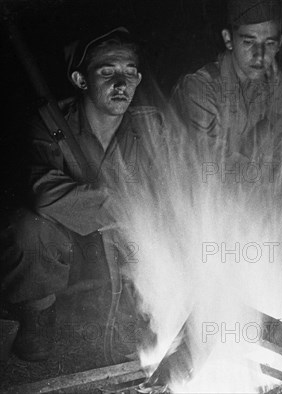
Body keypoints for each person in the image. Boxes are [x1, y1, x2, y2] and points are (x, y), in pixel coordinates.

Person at [0, 27, 166, 361]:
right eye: (107, 72)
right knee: (28, 230)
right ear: (80, 79)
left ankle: (146, 314)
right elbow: (42, 191)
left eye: (130, 73)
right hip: (69, 252)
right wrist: (113, 205)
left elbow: (171, 188)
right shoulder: (51, 122)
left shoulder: (150, 125)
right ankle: (39, 317)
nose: (121, 84)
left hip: (131, 248)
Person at [171, 0, 282, 181]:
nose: (260, 54)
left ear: (280, 43)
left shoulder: (271, 79)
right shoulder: (199, 89)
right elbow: (210, 168)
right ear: (228, 39)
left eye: (270, 43)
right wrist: (267, 156)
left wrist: (281, 147)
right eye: (249, 42)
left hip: (254, 193)